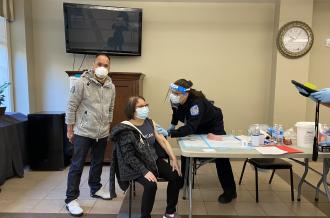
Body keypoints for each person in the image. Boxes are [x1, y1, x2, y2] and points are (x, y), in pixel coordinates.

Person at [110, 96, 183, 218]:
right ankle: (145, 216)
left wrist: (174, 159)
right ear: (132, 110)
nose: (145, 108)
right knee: (151, 185)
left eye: (146, 105)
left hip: (152, 159)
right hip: (135, 165)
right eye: (140, 106)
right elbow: (129, 157)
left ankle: (169, 212)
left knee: (176, 176)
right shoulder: (125, 130)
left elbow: (162, 141)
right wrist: (144, 171)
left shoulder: (150, 122)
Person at [166, 79, 237, 203]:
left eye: (176, 94)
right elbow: (175, 112)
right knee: (186, 150)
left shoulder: (196, 104)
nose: (173, 96)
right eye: (172, 92)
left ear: (186, 93)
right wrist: (173, 125)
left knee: (221, 156)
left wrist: (171, 133)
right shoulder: (176, 99)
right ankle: (183, 181)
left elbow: (191, 127)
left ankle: (230, 191)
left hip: (212, 124)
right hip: (196, 123)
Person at [65, 54, 116, 216]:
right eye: (99, 64)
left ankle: (95, 188)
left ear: (109, 67)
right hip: (83, 131)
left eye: (106, 65)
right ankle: (71, 199)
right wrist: (69, 129)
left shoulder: (111, 86)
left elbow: (110, 108)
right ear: (93, 65)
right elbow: (71, 106)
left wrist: (107, 127)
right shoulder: (82, 83)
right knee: (77, 165)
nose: (102, 67)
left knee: (97, 162)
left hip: (101, 133)